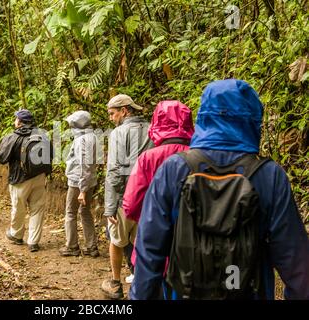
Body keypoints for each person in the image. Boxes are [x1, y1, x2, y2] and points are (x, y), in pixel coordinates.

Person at [130, 79, 309, 300]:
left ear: (203, 116)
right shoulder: (270, 176)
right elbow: (295, 260)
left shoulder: (174, 169)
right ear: (254, 120)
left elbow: (149, 249)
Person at [122, 100, 194, 269]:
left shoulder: (148, 158)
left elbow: (131, 205)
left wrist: (149, 217)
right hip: (194, 244)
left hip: (155, 239)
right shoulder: (203, 157)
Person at [101, 94, 154, 299]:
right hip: (148, 198)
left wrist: (109, 206)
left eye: (113, 114)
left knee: (116, 239)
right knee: (141, 241)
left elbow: (113, 171)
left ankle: (115, 283)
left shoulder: (118, 133)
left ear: (124, 111)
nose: (111, 118)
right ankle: (142, 282)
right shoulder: (152, 130)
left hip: (125, 197)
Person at [0, 109, 52, 253]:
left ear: (19, 122)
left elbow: (2, 158)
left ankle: (16, 234)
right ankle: (33, 241)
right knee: (37, 209)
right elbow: (51, 155)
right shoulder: (42, 135)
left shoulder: (12, 137)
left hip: (19, 179)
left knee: (18, 208)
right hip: (39, 177)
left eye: (16, 119)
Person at [59, 111, 99, 257]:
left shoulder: (82, 140)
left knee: (70, 212)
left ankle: (72, 246)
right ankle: (91, 246)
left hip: (78, 182)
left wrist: (82, 189)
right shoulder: (92, 136)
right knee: (85, 211)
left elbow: (84, 166)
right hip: (89, 180)